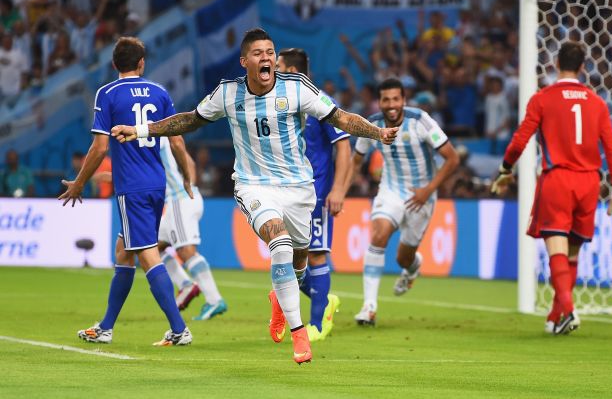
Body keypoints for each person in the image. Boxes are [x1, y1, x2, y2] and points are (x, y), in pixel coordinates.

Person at [110, 28, 398, 364]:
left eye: (270, 52)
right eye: (258, 53)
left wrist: (377, 132)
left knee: (299, 260)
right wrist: (142, 129)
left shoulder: (297, 88)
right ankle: (299, 333)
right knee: (279, 243)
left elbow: (342, 117)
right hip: (253, 185)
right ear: (245, 60)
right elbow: (190, 120)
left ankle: (279, 298)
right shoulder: (228, 93)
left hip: (299, 188)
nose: (266, 58)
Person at [59, 36, 193, 346]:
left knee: (147, 254)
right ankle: (105, 327)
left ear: (114, 64)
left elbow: (99, 146)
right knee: (124, 251)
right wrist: (186, 177)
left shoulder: (107, 93)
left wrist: (79, 182)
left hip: (131, 186)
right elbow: (176, 140)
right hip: (156, 183)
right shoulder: (160, 92)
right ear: (142, 62)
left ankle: (179, 328)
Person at [491, 41, 612, 335]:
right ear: (582, 67)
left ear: (556, 64)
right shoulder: (598, 103)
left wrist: (505, 169)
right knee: (572, 254)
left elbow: (520, 139)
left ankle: (570, 309)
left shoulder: (543, 98)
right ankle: (556, 316)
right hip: (590, 182)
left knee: (556, 249)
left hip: (558, 180)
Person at [347, 77, 460, 326]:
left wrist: (428, 189)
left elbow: (452, 159)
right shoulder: (372, 125)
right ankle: (369, 307)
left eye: (395, 99)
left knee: (403, 258)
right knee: (378, 235)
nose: (391, 104)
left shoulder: (420, 121)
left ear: (403, 100)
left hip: (423, 195)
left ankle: (412, 267)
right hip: (391, 188)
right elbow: (356, 159)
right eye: (386, 99)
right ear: (379, 102)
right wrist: (342, 189)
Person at [276, 48, 350, 342]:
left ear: (292, 72)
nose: (273, 69)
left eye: (279, 66)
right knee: (287, 257)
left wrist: (339, 188)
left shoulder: (319, 102)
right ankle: (325, 298)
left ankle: (317, 324)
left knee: (316, 255)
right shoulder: (282, 103)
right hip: (286, 193)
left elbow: (343, 146)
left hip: (316, 192)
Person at [156, 136, 228, 321]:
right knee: (152, 248)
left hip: (179, 200)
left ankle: (214, 300)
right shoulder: (164, 134)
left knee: (186, 251)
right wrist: (191, 185)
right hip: (183, 198)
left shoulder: (151, 137)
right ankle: (186, 284)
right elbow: (190, 163)